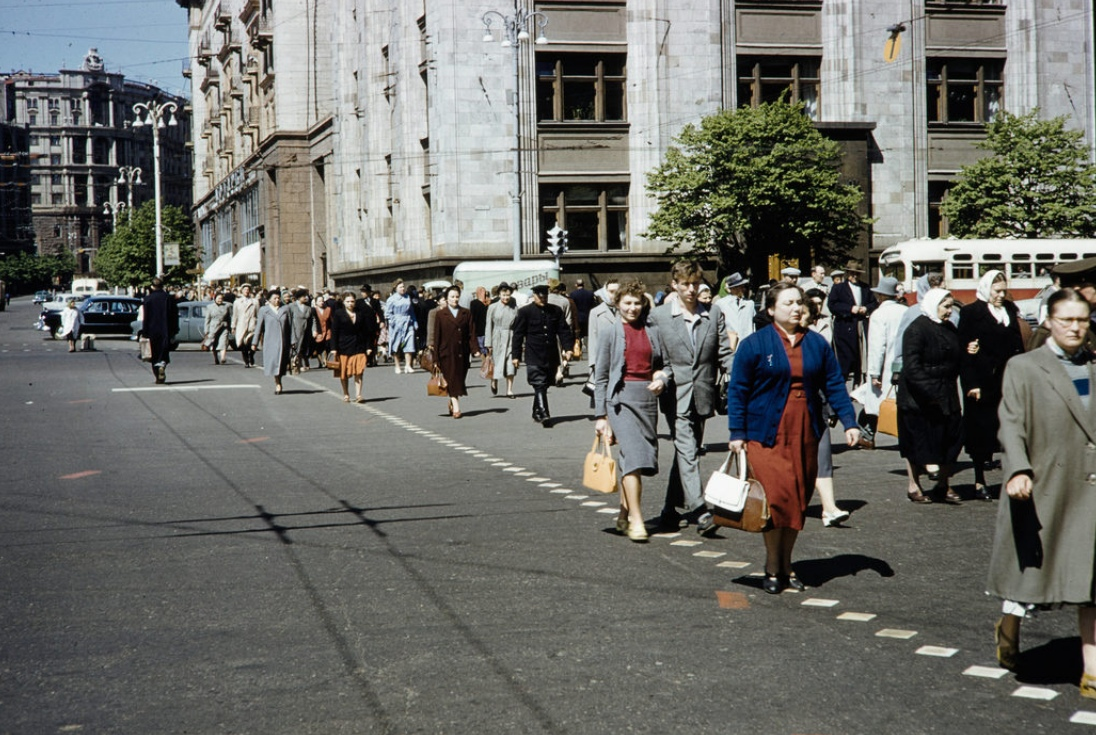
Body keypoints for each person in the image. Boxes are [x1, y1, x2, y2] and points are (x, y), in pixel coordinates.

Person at [987, 288, 1096, 697]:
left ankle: (1092, 669)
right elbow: (1011, 422)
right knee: (1028, 574)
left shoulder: (1094, 365)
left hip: (1090, 486)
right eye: (1066, 319)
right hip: (1042, 484)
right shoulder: (1024, 367)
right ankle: (1009, 627)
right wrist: (1016, 469)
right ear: (1048, 320)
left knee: (1093, 583)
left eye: (1082, 320)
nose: (1074, 327)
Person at [728, 283, 860, 593]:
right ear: (771, 310)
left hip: (805, 433)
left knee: (798, 501)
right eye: (788, 303)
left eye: (799, 302)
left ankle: (787, 564)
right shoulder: (757, 345)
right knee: (776, 501)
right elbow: (738, 390)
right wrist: (737, 433)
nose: (797, 308)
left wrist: (850, 422)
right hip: (765, 435)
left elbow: (835, 385)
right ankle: (774, 566)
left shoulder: (816, 344)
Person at [649, 260, 731, 534]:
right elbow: (656, 358)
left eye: (695, 284)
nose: (691, 289)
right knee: (687, 449)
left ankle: (669, 510)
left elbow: (723, 354)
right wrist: (658, 377)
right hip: (674, 394)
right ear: (675, 284)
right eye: (685, 284)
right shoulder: (660, 316)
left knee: (687, 451)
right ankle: (699, 509)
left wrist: (745, 377)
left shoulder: (713, 313)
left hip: (703, 393)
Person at [593, 281, 671, 543]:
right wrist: (601, 416)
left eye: (637, 303)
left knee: (637, 460)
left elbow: (664, 365)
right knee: (635, 457)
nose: (632, 308)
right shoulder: (609, 332)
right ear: (617, 304)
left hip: (647, 399)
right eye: (627, 302)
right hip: (620, 400)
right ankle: (638, 520)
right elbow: (601, 376)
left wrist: (661, 378)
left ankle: (623, 514)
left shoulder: (653, 330)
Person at [958, 270, 1025, 500]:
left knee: (1008, 431)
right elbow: (964, 354)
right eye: (997, 291)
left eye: (1004, 290)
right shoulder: (971, 313)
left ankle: (1011, 476)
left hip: (1007, 381)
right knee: (980, 435)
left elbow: (1017, 344)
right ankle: (979, 481)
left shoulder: (1009, 311)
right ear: (987, 289)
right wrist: (971, 384)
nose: (1001, 295)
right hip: (983, 382)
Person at [896, 288, 965, 503]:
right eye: (945, 307)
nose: (949, 311)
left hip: (947, 393)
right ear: (933, 305)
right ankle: (914, 485)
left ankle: (943, 484)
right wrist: (930, 391)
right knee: (917, 442)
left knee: (950, 440)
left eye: (951, 306)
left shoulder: (950, 328)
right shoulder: (916, 329)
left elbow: (956, 355)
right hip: (919, 398)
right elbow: (912, 367)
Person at [801, 289, 849, 527]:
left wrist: (846, 419)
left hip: (817, 407)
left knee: (823, 457)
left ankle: (829, 508)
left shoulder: (818, 340)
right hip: (785, 414)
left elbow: (833, 380)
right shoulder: (770, 340)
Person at [512, 283, 573, 427]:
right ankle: (545, 413)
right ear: (534, 296)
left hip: (551, 353)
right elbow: (518, 335)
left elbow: (563, 330)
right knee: (538, 383)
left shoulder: (555, 311)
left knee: (544, 384)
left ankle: (536, 410)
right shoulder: (525, 312)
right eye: (539, 296)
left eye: (545, 295)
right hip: (533, 353)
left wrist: (568, 348)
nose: (542, 298)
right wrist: (516, 355)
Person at [856, 276, 906, 448]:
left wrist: (874, 373)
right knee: (898, 402)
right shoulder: (905, 311)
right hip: (902, 365)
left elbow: (877, 347)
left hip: (885, 367)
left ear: (881, 296)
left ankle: (868, 435)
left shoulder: (878, 315)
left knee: (874, 403)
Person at [432, 285, 480, 419]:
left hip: (462, 352)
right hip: (446, 352)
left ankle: (452, 401)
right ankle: (457, 407)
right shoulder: (441, 314)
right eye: (452, 297)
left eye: (457, 296)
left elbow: (472, 333)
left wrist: (475, 349)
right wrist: (436, 357)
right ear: (446, 299)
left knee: (459, 379)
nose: (455, 299)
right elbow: (437, 337)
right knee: (452, 378)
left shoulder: (466, 313)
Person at [827, 260, 878, 385]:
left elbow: (874, 303)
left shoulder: (865, 287)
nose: (854, 276)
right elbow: (832, 305)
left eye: (857, 274)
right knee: (846, 357)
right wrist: (850, 309)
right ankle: (842, 385)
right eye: (852, 273)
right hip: (845, 326)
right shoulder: (839, 288)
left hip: (861, 325)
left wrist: (866, 308)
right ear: (847, 273)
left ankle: (859, 383)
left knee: (861, 355)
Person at [329, 291, 376, 402]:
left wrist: (369, 346)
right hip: (343, 347)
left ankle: (358, 394)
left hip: (359, 346)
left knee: (359, 371)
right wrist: (333, 348)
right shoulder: (338, 314)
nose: (350, 303)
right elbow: (334, 332)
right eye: (348, 301)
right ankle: (346, 394)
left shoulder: (360, 313)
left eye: (352, 301)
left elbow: (367, 331)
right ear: (343, 302)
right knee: (344, 373)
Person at [252, 289, 292, 394]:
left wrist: (293, 340)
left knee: (282, 364)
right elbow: (259, 327)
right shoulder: (264, 310)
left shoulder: (286, 309)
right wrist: (254, 342)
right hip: (270, 342)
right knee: (274, 364)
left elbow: (291, 326)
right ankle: (278, 383)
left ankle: (279, 380)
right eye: (274, 298)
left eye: (278, 298)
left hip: (284, 342)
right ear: (269, 300)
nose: (277, 300)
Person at [484, 282, 519, 398]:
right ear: (499, 294)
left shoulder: (514, 307)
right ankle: (494, 380)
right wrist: (488, 343)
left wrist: (519, 341)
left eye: (508, 295)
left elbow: (518, 324)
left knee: (511, 364)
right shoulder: (492, 307)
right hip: (497, 336)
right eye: (503, 295)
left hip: (510, 336)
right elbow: (488, 325)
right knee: (497, 362)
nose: (506, 297)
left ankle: (509, 390)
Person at [141, 278, 179, 384]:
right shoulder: (169, 298)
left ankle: (158, 375)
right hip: (166, 330)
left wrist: (144, 332)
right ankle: (162, 365)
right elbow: (174, 315)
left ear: (152, 286)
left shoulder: (148, 299)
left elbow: (146, 317)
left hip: (152, 330)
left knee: (154, 354)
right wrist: (175, 330)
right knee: (164, 352)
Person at [385, 279, 418, 374]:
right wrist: (392, 321)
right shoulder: (391, 299)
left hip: (408, 321)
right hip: (396, 323)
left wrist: (415, 321)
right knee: (396, 344)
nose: (403, 289)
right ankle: (397, 365)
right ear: (396, 288)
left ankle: (408, 365)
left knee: (410, 342)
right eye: (401, 287)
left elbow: (411, 311)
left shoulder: (408, 297)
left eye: (403, 287)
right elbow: (387, 313)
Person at [287, 288, 317, 374]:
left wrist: (314, 330)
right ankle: (293, 365)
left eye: (306, 296)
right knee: (294, 348)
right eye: (304, 296)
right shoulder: (291, 306)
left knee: (303, 349)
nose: (306, 297)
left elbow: (313, 320)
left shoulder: (308, 308)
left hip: (306, 332)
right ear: (298, 297)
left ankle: (299, 364)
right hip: (294, 330)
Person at [232, 283, 259, 368]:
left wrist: (258, 325)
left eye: (248, 289)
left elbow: (258, 314)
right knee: (242, 344)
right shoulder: (237, 302)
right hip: (241, 325)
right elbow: (235, 315)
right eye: (245, 289)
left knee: (252, 343)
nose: (246, 291)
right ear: (242, 291)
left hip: (252, 325)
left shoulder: (255, 302)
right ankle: (246, 360)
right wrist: (233, 326)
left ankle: (251, 355)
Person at [203, 291, 232, 365]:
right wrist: (206, 330)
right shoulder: (210, 307)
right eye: (218, 298)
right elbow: (207, 319)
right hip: (213, 327)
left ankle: (223, 358)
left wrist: (230, 327)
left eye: (221, 298)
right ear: (215, 298)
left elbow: (229, 317)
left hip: (224, 326)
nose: (220, 300)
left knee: (224, 341)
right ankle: (216, 358)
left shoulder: (227, 306)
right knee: (214, 343)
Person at [569, 279, 597, 355]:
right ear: (583, 284)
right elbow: (593, 305)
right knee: (588, 334)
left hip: (577, 317)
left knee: (578, 335)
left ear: (576, 285)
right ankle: (589, 349)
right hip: (587, 316)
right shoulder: (590, 294)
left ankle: (578, 350)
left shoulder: (573, 294)